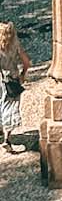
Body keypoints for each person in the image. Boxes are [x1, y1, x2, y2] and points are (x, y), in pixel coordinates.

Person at [0, 22, 30, 153]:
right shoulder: (15, 45)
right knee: (10, 108)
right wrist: (23, 74)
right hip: (12, 80)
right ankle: (6, 139)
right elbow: (26, 62)